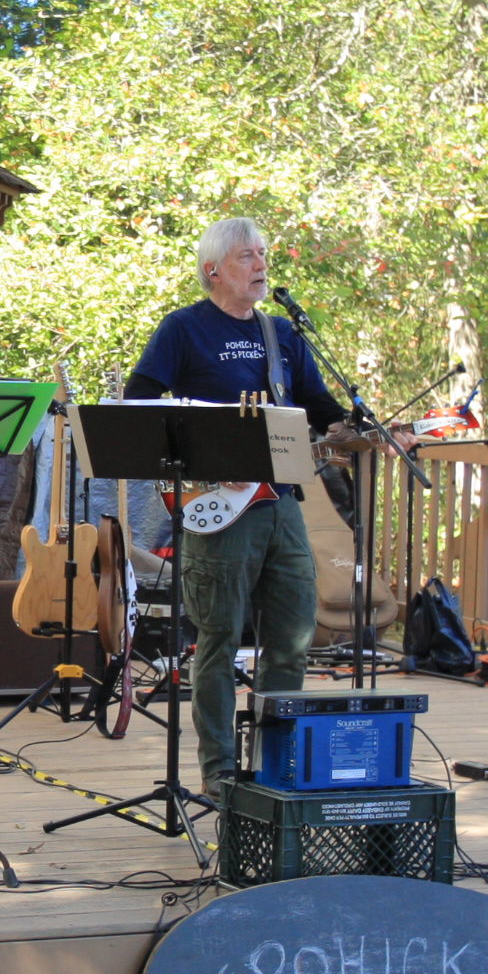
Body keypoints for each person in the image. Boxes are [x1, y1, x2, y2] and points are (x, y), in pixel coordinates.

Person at [125, 217, 360, 785]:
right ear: (214, 270)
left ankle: (275, 768)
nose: (261, 265)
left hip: (281, 504)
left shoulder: (281, 334)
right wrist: (204, 454)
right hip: (216, 506)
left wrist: (361, 430)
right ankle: (220, 771)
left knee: (292, 638)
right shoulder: (183, 328)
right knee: (218, 641)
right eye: (247, 256)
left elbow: (320, 408)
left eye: (262, 254)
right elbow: (140, 400)